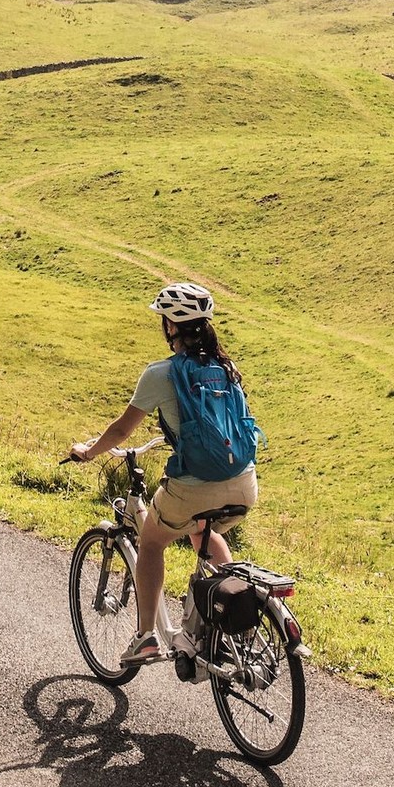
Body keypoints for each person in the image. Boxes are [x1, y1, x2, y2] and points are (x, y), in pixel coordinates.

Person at [65, 282, 258, 668]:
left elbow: (121, 431)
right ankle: (224, 622)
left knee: (152, 543)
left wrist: (88, 451)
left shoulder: (161, 373)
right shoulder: (226, 367)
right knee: (204, 531)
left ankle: (145, 637)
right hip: (243, 483)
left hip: (193, 487)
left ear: (172, 326)